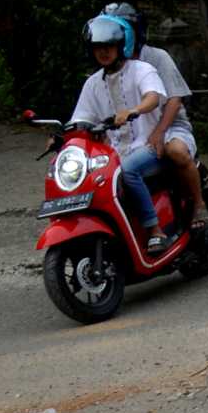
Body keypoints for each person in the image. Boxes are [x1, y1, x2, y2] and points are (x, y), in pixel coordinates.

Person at [71, 15, 177, 256]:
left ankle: (155, 230)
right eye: (98, 48)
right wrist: (60, 136)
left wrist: (133, 110)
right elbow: (80, 119)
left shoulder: (142, 70)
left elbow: (153, 97)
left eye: (109, 46)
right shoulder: (92, 84)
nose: (104, 52)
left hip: (150, 144)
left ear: (121, 46)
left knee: (127, 171)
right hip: (115, 153)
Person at [102, 2, 206, 228]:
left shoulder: (157, 57)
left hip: (169, 127)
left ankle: (199, 206)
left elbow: (174, 99)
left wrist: (159, 133)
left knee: (176, 152)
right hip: (132, 133)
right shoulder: (111, 66)